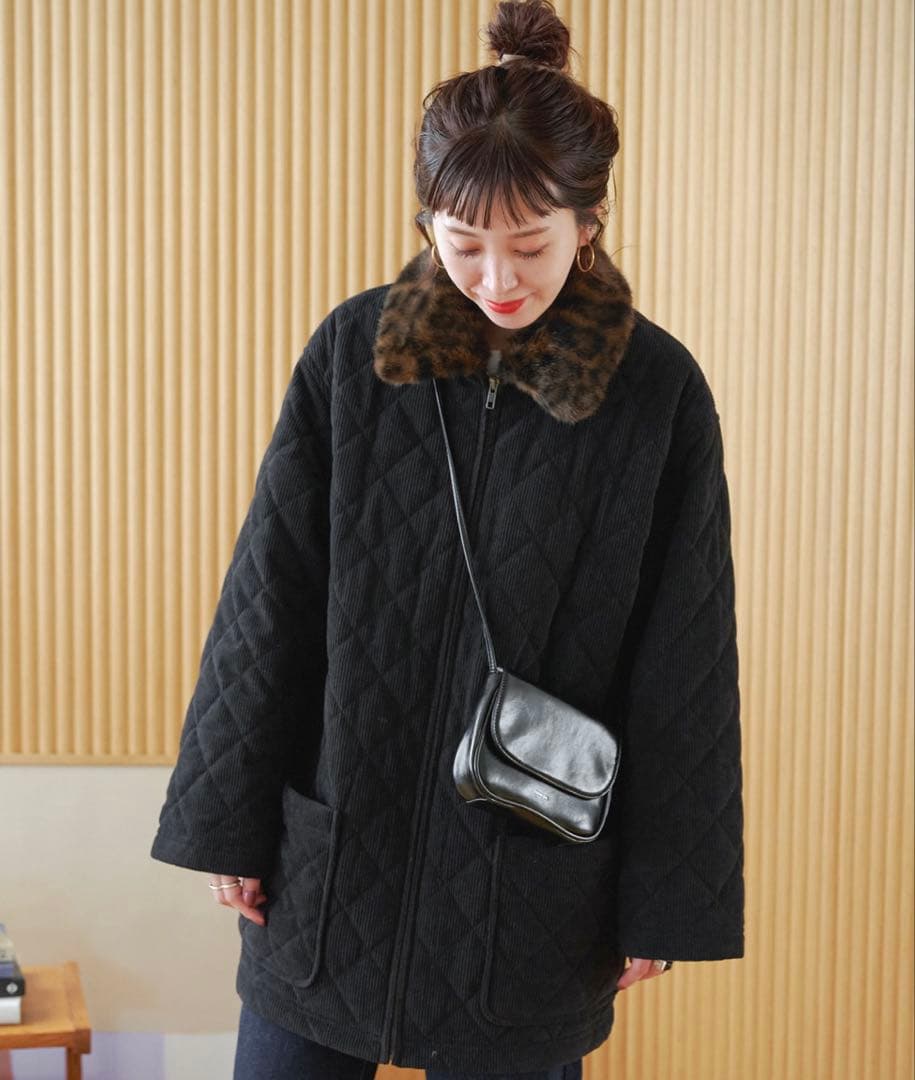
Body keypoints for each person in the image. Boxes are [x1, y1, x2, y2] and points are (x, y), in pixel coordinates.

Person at [150, 2, 745, 1077]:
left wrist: (665, 896)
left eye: (530, 246)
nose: (497, 280)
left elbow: (685, 661)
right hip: (333, 863)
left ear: (588, 222)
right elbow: (270, 591)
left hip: (527, 891)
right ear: (427, 222)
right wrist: (226, 821)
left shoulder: (655, 394)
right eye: (463, 245)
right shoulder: (355, 353)